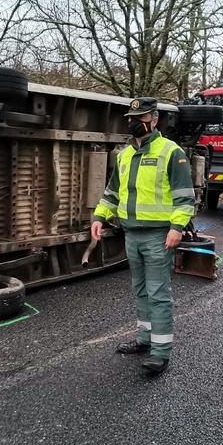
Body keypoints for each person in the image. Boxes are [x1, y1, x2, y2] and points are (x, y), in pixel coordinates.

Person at [91, 97, 196, 375]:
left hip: (158, 236)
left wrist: (177, 227)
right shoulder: (124, 155)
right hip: (132, 234)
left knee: (158, 293)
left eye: (141, 117)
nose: (134, 123)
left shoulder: (171, 152)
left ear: (155, 119)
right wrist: (99, 216)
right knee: (139, 290)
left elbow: (185, 197)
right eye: (131, 118)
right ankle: (144, 340)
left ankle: (160, 352)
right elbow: (112, 192)